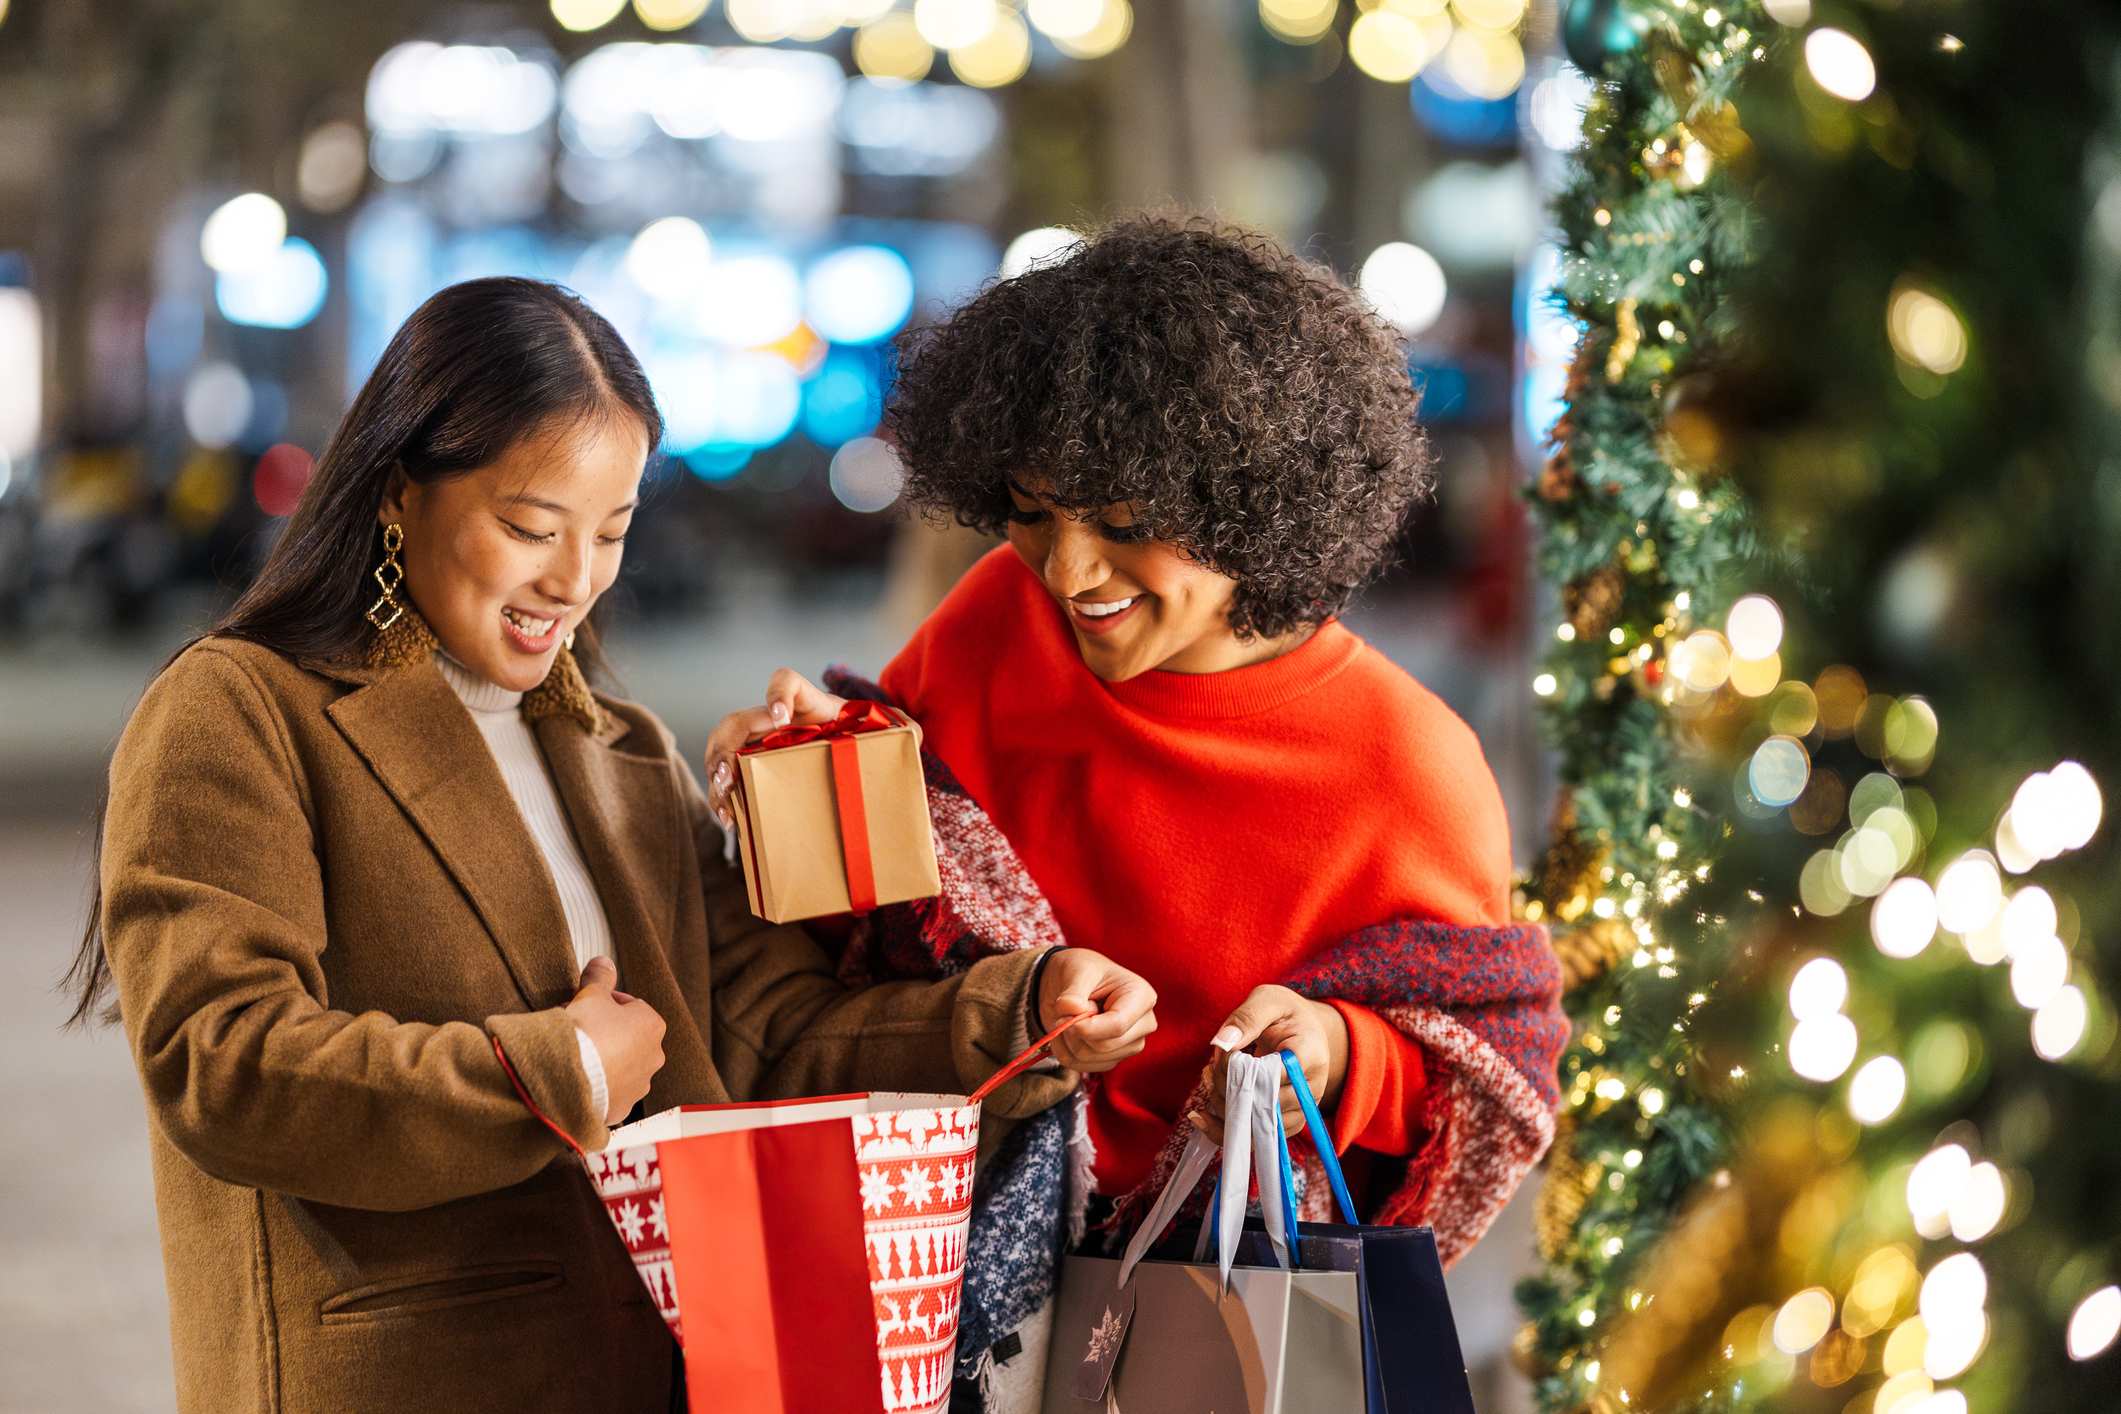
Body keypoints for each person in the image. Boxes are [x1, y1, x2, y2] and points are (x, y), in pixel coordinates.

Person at [64, 277, 1156, 1414]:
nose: (574, 580)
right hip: (404, 1378)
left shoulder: (617, 748)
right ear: (399, 491)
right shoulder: (239, 712)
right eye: (532, 527)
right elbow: (223, 1062)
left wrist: (1022, 1010)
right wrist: (561, 1069)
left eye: (613, 532)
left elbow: (771, 1041)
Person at [707, 215, 1569, 1411]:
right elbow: (864, 913)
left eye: (1122, 522)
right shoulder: (996, 622)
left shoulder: (1407, 764)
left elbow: (1482, 1069)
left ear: (1251, 496)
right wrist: (808, 764)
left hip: (1216, 1340)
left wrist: (1333, 1051)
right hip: (937, 1312)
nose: (1067, 572)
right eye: (1032, 510)